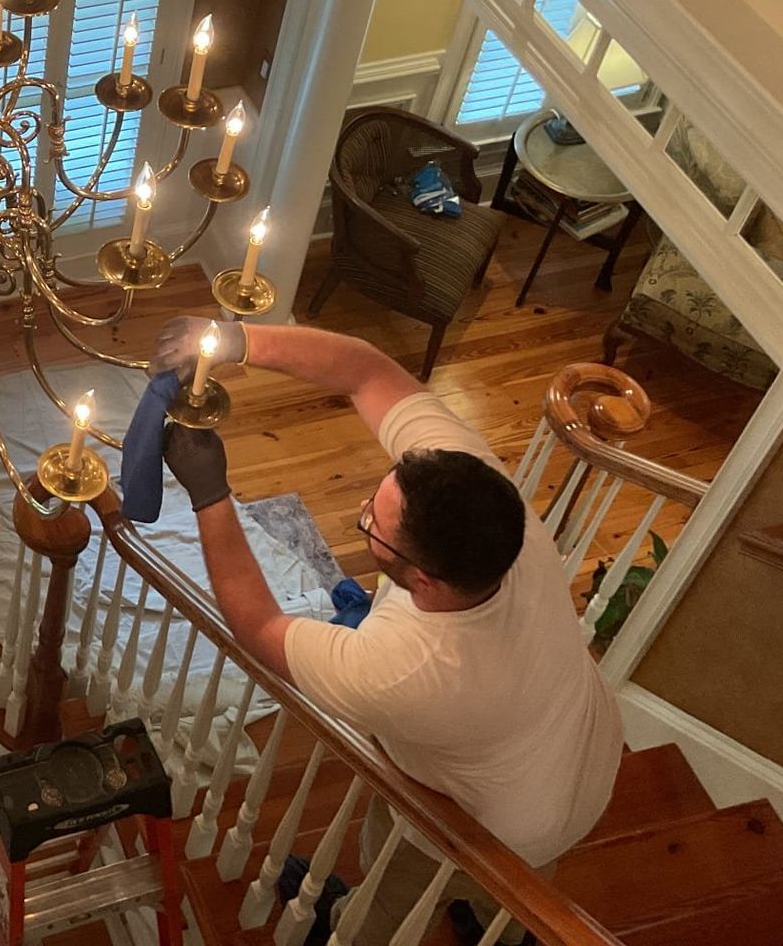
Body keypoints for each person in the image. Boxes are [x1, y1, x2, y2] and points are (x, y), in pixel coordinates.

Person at [149, 317, 622, 946]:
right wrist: (236, 338)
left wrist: (210, 497)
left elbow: (259, 628)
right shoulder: (483, 499)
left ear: (423, 579)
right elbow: (366, 370)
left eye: (373, 523)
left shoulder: (404, 668)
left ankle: (349, 928)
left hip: (492, 831)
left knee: (391, 894)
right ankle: (507, 932)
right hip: (586, 759)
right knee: (517, 901)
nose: (362, 511)